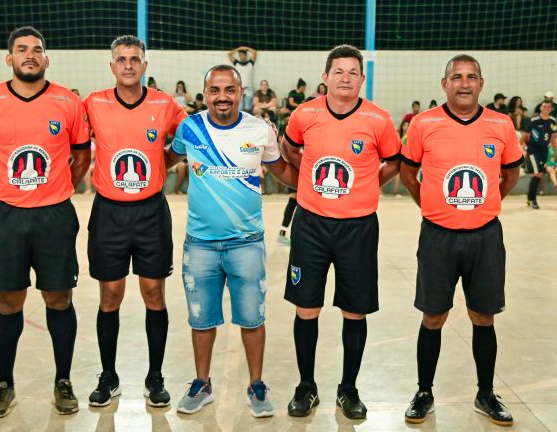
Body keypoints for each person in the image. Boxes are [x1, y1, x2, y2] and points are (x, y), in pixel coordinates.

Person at [0, 26, 91, 418]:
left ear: (46, 58)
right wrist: (3, 188)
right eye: (22, 50)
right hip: (4, 215)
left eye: (37, 49)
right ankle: (5, 383)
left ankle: (63, 380)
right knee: (8, 302)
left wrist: (55, 188)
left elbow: (81, 157)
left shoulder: (67, 102)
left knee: (58, 298)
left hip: (54, 215)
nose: (30, 55)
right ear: (9, 59)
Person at [167, 65, 298, 418]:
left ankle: (256, 385)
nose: (222, 96)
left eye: (229, 90)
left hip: (247, 244)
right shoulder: (190, 128)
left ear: (242, 93)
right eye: (215, 90)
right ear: (204, 92)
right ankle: (202, 383)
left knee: (252, 319)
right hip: (200, 245)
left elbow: (281, 170)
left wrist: (310, 185)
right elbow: (168, 158)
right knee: (201, 319)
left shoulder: (259, 130)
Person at [400, 54, 523, 427]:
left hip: (484, 236)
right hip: (438, 235)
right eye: (457, 77)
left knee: (482, 316)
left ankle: (485, 393)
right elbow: (408, 174)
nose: (464, 83)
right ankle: (424, 392)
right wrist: (433, 207)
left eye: (471, 77)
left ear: (481, 83)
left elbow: (511, 174)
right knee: (433, 315)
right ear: (445, 84)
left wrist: (485, 206)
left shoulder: (501, 125)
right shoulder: (424, 124)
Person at [281, 45, 401, 419]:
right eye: (339, 72)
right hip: (312, 224)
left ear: (362, 79)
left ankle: (348, 389)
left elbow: (394, 160)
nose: (345, 78)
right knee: (307, 308)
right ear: (325, 76)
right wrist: (308, 174)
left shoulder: (378, 119)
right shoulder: (306, 113)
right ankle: (307, 386)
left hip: (358, 228)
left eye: (353, 72)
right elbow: (289, 146)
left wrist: (367, 183)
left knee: (355, 311)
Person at [83, 35, 187, 408]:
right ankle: (109, 375)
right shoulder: (93, 103)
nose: (129, 64)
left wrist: (162, 164)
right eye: (122, 59)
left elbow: (186, 140)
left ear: (145, 66)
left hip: (150, 211)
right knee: (110, 294)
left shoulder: (164, 104)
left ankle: (155, 376)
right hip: (109, 211)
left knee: (153, 293)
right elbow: (72, 141)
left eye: (135, 59)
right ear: (112, 66)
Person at [522, 100, 556, 209]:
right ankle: (533, 200)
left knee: (538, 175)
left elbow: (553, 137)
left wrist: (555, 151)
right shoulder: (534, 120)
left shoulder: (552, 120)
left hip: (544, 151)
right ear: (540, 107)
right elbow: (525, 135)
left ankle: (529, 199)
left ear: (551, 109)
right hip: (533, 151)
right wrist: (519, 146)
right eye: (544, 106)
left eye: (548, 107)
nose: (546, 108)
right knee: (538, 174)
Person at [228, 46, 257, 112]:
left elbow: (255, 53)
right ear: (239, 56)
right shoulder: (236, 63)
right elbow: (229, 54)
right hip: (239, 88)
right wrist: (238, 48)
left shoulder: (250, 63)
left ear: (246, 55)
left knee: (248, 108)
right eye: (241, 55)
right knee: (239, 108)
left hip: (249, 88)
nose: (242, 56)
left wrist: (247, 48)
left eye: (244, 55)